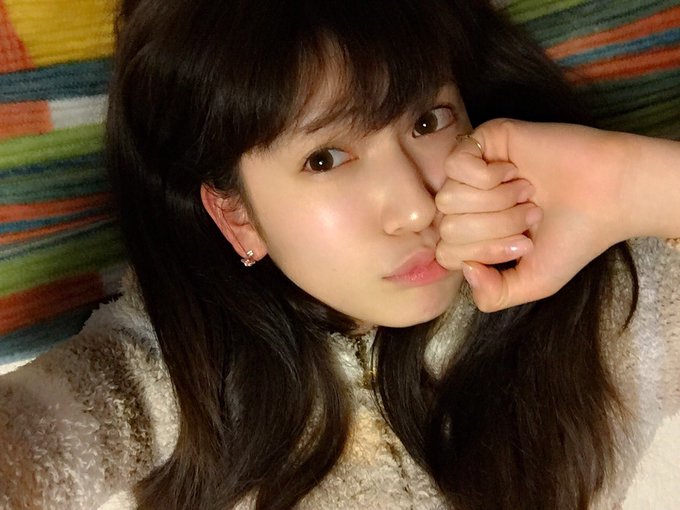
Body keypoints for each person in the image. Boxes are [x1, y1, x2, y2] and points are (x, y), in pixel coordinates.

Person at [1, 0, 679, 509]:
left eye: (427, 120)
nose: (415, 207)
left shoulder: (603, 308)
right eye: (325, 158)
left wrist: (629, 183)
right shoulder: (172, 373)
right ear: (236, 215)